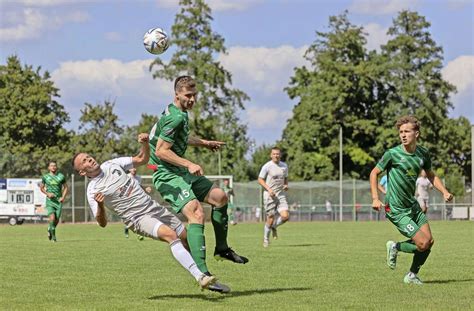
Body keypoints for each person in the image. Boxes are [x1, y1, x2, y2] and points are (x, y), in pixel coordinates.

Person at [72, 133, 229, 293]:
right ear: (82, 172)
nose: (89, 159)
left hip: (154, 208)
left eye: (88, 157)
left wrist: (145, 144)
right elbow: (102, 223)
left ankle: (206, 277)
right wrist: (100, 205)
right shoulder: (92, 190)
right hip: (137, 218)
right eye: (84, 161)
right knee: (170, 235)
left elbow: (141, 160)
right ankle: (200, 278)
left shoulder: (111, 164)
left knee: (186, 239)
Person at [148, 75, 248, 280]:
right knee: (196, 213)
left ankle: (222, 248)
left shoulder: (180, 113)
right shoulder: (175, 117)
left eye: (194, 95)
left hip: (179, 171)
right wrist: (189, 163)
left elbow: (180, 138)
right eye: (188, 95)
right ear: (177, 95)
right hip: (166, 174)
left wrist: (205, 143)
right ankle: (202, 273)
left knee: (220, 197)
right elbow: (161, 151)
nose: (192, 99)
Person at [370, 116, 453, 285]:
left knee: (429, 242)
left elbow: (430, 175)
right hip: (396, 209)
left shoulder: (423, 154)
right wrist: (375, 198)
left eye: (407, 131)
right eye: (401, 132)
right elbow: (374, 173)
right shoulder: (392, 154)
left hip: (412, 205)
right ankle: (395, 247)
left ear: (417, 134)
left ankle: (412, 276)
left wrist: (444, 191)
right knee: (422, 242)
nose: (403, 135)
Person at [258, 147, 289, 248]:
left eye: (278, 154)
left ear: (280, 155)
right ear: (271, 155)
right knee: (270, 218)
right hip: (269, 196)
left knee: (285, 216)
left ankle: (274, 227)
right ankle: (266, 239)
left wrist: (286, 185)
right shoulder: (267, 166)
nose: (276, 155)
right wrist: (269, 189)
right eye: (274, 154)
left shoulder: (284, 166)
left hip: (280, 195)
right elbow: (260, 179)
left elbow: (285, 179)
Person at [40, 161, 68, 242]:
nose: (53, 167)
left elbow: (66, 187)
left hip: (58, 201)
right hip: (50, 201)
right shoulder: (45, 177)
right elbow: (41, 188)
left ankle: (49, 229)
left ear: (56, 167)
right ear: (49, 168)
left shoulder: (61, 176)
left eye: (55, 166)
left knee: (57, 220)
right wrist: (47, 193)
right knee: (52, 218)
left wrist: (63, 197)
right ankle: (54, 238)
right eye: (51, 166)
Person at [124, 167, 151, 240]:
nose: (134, 169)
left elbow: (140, 186)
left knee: (138, 214)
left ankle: (139, 233)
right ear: (129, 170)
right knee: (131, 216)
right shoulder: (126, 177)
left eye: (135, 168)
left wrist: (145, 189)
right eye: (132, 168)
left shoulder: (139, 177)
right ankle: (127, 228)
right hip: (128, 199)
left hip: (137, 198)